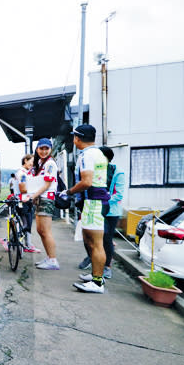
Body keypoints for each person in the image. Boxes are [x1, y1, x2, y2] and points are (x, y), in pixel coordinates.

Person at [62, 124, 109, 293]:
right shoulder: (99, 153)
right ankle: (96, 275)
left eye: (74, 137)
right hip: (95, 202)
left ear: (78, 138)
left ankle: (97, 283)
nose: (74, 140)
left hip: (93, 203)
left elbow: (87, 182)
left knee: (96, 243)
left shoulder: (87, 155)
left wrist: (68, 192)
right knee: (90, 240)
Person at [77, 146, 125, 279]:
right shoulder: (95, 170)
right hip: (94, 208)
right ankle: (93, 266)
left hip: (110, 211)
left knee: (106, 239)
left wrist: (102, 202)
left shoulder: (118, 172)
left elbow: (119, 195)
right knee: (90, 238)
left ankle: (107, 267)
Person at [28, 139, 60, 269]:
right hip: (41, 198)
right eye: (41, 148)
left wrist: (32, 196)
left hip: (46, 198)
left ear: (50, 149)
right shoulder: (41, 163)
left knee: (45, 231)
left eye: (47, 149)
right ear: (37, 149)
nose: (44, 151)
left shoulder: (50, 164)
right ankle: (49, 257)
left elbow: (47, 184)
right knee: (40, 230)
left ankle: (53, 260)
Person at [15, 154, 39, 252]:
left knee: (27, 223)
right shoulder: (22, 173)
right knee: (26, 224)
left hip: (27, 201)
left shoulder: (27, 172)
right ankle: (27, 245)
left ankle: (28, 244)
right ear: (25, 160)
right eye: (31, 161)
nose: (33, 164)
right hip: (23, 201)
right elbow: (23, 189)